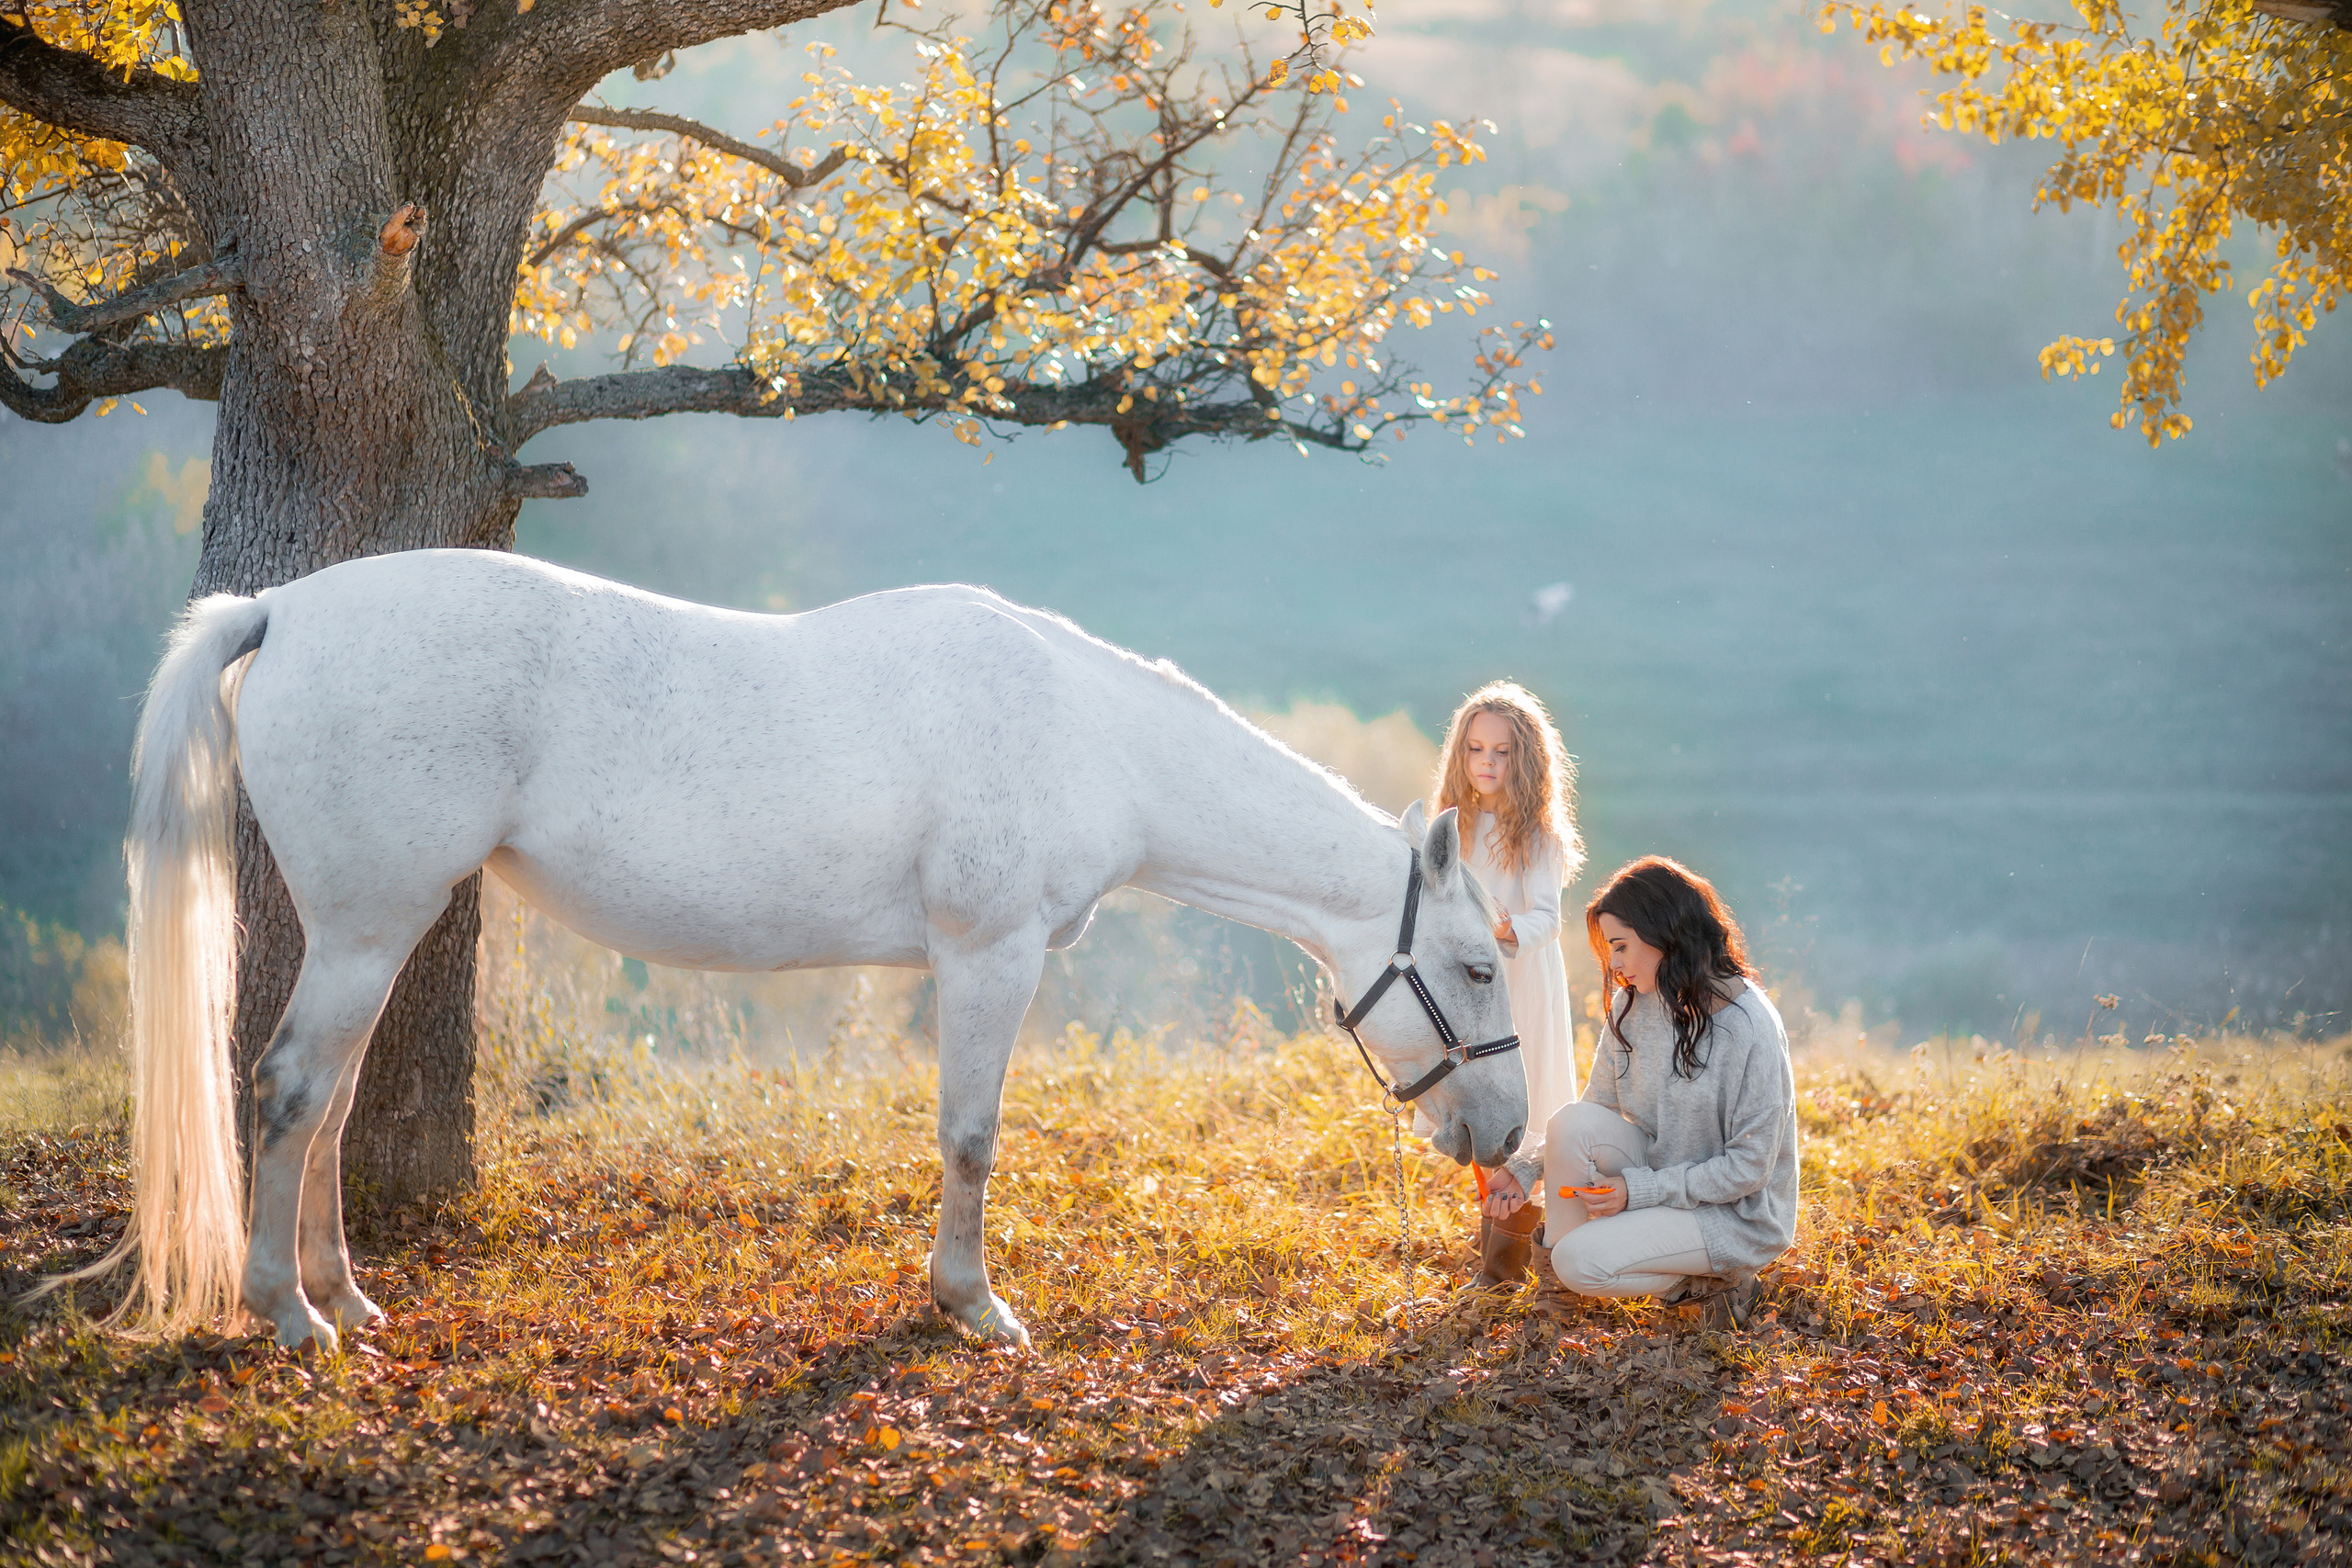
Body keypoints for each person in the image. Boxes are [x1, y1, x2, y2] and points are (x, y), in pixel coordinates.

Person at [1482, 855, 1798, 1328]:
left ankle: (1721, 1281)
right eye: (1612, 948)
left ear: (1664, 933)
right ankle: (1559, 1299)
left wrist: (1639, 1192)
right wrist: (1524, 1171)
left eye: (1622, 945)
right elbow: (1593, 1112)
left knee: (1578, 1261)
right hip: (1664, 1174)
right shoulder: (1633, 1004)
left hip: (1734, 1215)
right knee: (1570, 1122)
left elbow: (1749, 1170)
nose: (1616, 963)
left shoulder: (1750, 1026)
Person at [1424, 682, 1585, 1288]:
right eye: (1475, 749)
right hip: (1469, 987)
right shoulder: (1454, 828)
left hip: (1520, 982)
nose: (1486, 763)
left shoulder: (1537, 835)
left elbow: (1547, 917)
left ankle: (1504, 1266)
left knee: (1522, 1114)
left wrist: (1502, 926)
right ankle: (1497, 1252)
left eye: (1501, 752)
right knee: (1475, 1115)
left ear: (1526, 759)